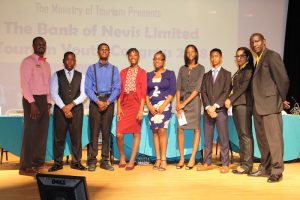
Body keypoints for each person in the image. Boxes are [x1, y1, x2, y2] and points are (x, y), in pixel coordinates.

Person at [248, 33, 290, 182]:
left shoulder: (272, 56)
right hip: (258, 107)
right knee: (263, 141)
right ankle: (265, 168)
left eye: (257, 41)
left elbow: (283, 79)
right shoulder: (257, 60)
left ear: (264, 41)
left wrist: (281, 99)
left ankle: (277, 171)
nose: (255, 44)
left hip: (270, 105)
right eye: (252, 42)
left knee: (274, 140)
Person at [48, 51, 87, 172]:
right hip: (60, 111)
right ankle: (58, 163)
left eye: (72, 60)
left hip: (77, 110)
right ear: (63, 61)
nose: (70, 62)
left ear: (75, 62)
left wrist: (71, 105)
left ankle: (76, 162)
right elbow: (54, 92)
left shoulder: (82, 76)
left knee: (76, 137)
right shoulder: (56, 75)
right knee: (59, 138)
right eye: (67, 59)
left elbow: (84, 94)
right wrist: (64, 108)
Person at [85, 43, 121, 171]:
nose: (104, 51)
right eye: (102, 49)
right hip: (95, 101)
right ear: (98, 52)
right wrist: (97, 101)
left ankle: (105, 160)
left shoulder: (114, 69)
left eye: (106, 50)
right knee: (94, 132)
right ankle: (92, 160)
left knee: (106, 132)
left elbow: (117, 88)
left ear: (109, 52)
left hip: (109, 102)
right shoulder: (91, 68)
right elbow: (87, 88)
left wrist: (108, 101)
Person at [19, 36, 51, 176]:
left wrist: (49, 102)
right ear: (33, 46)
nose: (41, 46)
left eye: (43, 44)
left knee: (42, 134)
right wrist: (32, 103)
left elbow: (48, 84)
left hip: (44, 101)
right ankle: (25, 167)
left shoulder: (46, 64)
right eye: (38, 44)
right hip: (32, 101)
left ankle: (38, 163)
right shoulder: (28, 62)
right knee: (30, 133)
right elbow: (24, 84)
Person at [198, 48, 231, 173]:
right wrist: (208, 107)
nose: (214, 58)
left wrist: (215, 106)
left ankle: (225, 164)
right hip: (208, 112)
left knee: (223, 138)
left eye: (216, 56)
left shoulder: (227, 74)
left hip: (220, 110)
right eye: (212, 56)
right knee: (207, 138)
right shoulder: (206, 75)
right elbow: (204, 92)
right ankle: (207, 162)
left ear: (220, 58)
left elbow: (226, 91)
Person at [116, 48, 147, 170]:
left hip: (136, 103)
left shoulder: (143, 72)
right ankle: (122, 157)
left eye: (135, 55)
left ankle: (132, 160)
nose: (133, 57)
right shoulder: (123, 72)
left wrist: (141, 110)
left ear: (138, 56)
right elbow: (119, 91)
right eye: (130, 55)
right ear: (128, 57)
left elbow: (143, 92)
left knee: (136, 132)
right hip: (124, 103)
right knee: (119, 134)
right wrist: (118, 107)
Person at [225, 47, 254, 174]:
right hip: (238, 105)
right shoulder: (239, 71)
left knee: (245, 135)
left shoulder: (248, 70)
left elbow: (243, 88)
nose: (239, 58)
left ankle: (247, 165)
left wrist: (230, 99)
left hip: (243, 104)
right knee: (241, 135)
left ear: (247, 57)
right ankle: (243, 162)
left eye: (241, 56)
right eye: (237, 56)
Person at [146, 51, 176, 171]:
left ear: (164, 61)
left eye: (159, 59)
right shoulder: (148, 75)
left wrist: (164, 105)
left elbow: (172, 90)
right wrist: (149, 106)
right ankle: (157, 159)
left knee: (162, 131)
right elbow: (145, 93)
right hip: (152, 107)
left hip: (164, 106)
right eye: (155, 59)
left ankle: (163, 159)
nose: (157, 61)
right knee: (155, 132)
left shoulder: (170, 74)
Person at [176, 45, 205, 170]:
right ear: (185, 54)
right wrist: (178, 105)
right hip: (182, 102)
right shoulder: (182, 69)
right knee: (180, 128)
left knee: (196, 129)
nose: (190, 54)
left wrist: (184, 103)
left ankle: (192, 157)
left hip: (194, 102)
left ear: (196, 53)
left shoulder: (201, 68)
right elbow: (178, 88)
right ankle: (182, 158)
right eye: (188, 52)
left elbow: (197, 89)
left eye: (193, 51)